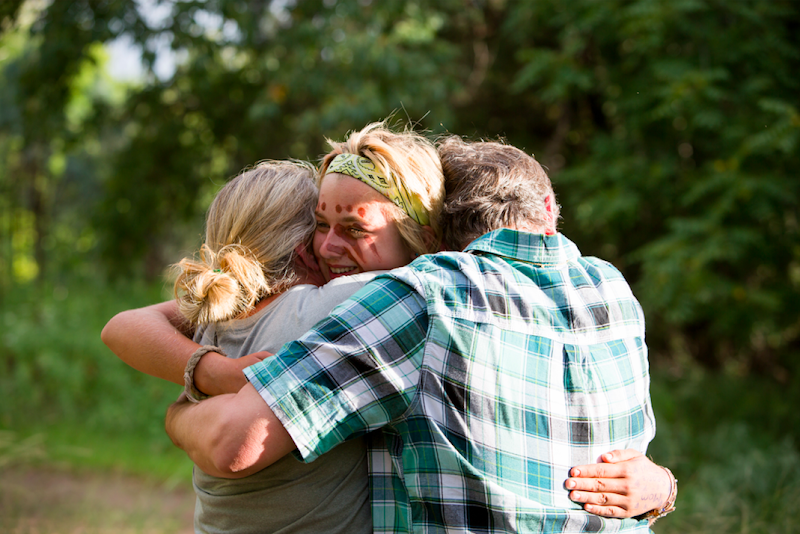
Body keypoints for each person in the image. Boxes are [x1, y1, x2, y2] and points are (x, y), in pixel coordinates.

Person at [163, 136, 677, 533]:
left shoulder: (421, 297)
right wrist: (664, 486)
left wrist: (182, 406)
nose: (325, 248)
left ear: (432, 231)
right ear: (547, 208)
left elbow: (234, 442)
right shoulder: (612, 290)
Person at [102, 122, 447, 534]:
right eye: (321, 225)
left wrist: (191, 394)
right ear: (304, 246)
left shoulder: (217, 312)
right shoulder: (339, 304)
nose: (330, 247)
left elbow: (122, 325)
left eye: (353, 230)